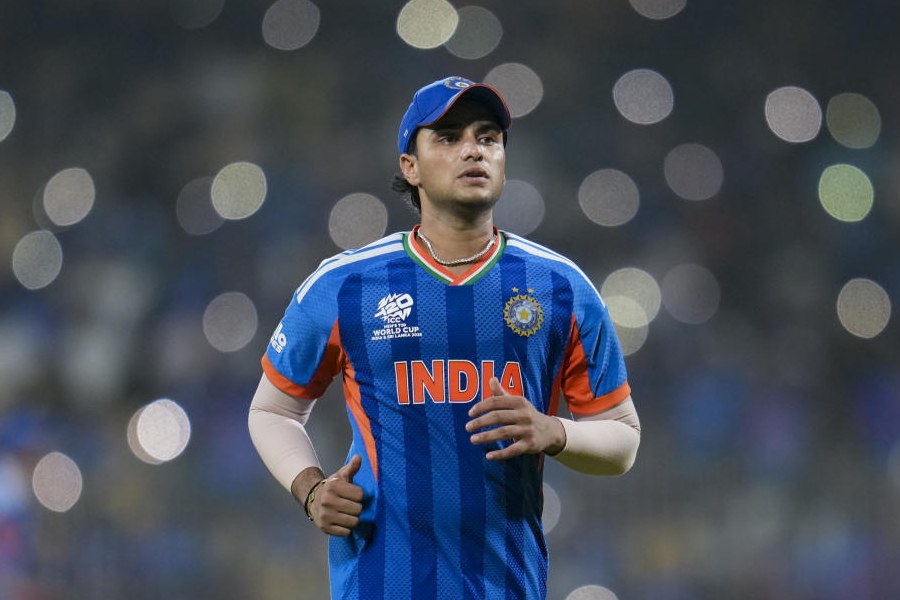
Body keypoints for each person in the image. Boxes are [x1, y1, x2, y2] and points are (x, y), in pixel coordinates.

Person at [248, 75, 641, 600]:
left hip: (507, 586)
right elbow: (273, 410)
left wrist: (555, 431)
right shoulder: (343, 286)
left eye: (488, 137)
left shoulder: (561, 287)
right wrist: (310, 487)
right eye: (449, 137)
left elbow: (622, 438)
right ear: (410, 166)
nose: (473, 150)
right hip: (377, 586)